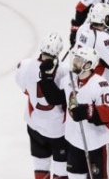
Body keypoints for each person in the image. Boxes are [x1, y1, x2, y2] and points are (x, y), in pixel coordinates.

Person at [39, 46, 109, 178]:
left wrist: (88, 111)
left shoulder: (100, 84)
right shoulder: (69, 80)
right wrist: (46, 78)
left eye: (79, 60)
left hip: (98, 144)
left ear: (88, 64)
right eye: (75, 58)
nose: (74, 61)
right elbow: (55, 98)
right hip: (75, 142)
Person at [15, 33, 69, 179]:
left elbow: (24, 88)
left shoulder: (26, 65)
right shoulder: (64, 70)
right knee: (61, 169)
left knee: (40, 165)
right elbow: (66, 98)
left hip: (34, 125)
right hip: (57, 129)